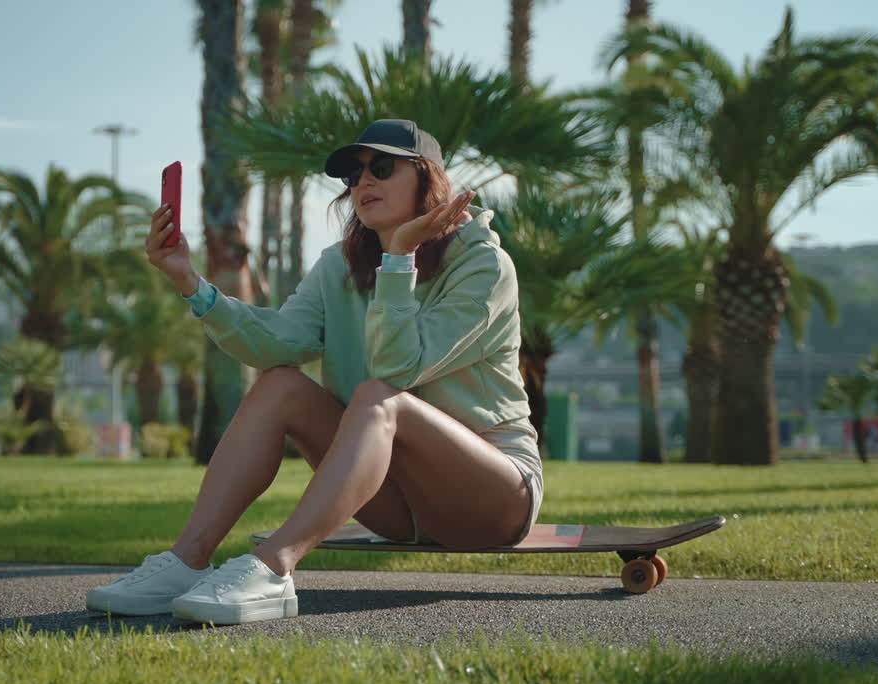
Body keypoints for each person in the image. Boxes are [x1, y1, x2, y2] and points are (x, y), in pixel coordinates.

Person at [86, 118, 543, 625]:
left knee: (378, 397)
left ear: (426, 177)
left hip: (491, 497)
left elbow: (399, 368)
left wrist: (399, 259)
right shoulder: (340, 266)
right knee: (280, 384)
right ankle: (186, 560)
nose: (363, 182)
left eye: (382, 167)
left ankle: (272, 570)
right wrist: (191, 284)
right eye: (353, 174)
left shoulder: (483, 266)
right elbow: (277, 342)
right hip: (396, 504)